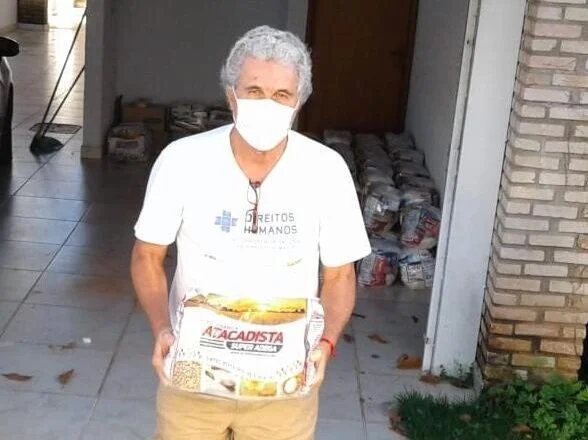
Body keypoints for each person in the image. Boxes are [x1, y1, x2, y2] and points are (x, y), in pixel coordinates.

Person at [131, 25, 370, 440]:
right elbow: (146, 256)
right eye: (254, 91)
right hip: (194, 376)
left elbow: (340, 275)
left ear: (298, 103)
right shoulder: (182, 160)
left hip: (284, 384)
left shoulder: (326, 170)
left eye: (282, 95)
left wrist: (326, 343)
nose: (267, 104)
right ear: (231, 96)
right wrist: (162, 330)